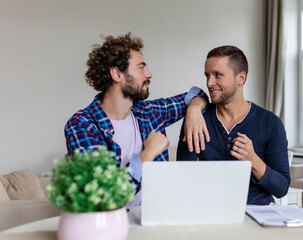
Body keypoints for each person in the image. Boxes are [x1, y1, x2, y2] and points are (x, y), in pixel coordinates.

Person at [65, 33, 210, 206]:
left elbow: (196, 95)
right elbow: (103, 196)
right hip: (114, 224)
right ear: (117, 74)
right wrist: (148, 154)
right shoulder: (82, 125)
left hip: (160, 217)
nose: (149, 74)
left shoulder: (148, 112)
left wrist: (193, 110)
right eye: (141, 67)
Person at [177, 45, 290, 205]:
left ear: (241, 78)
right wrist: (193, 107)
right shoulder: (196, 120)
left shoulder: (270, 122)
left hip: (257, 215)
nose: (210, 83)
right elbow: (182, 179)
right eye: (207, 75)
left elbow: (281, 188)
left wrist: (253, 159)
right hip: (209, 211)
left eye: (218, 75)